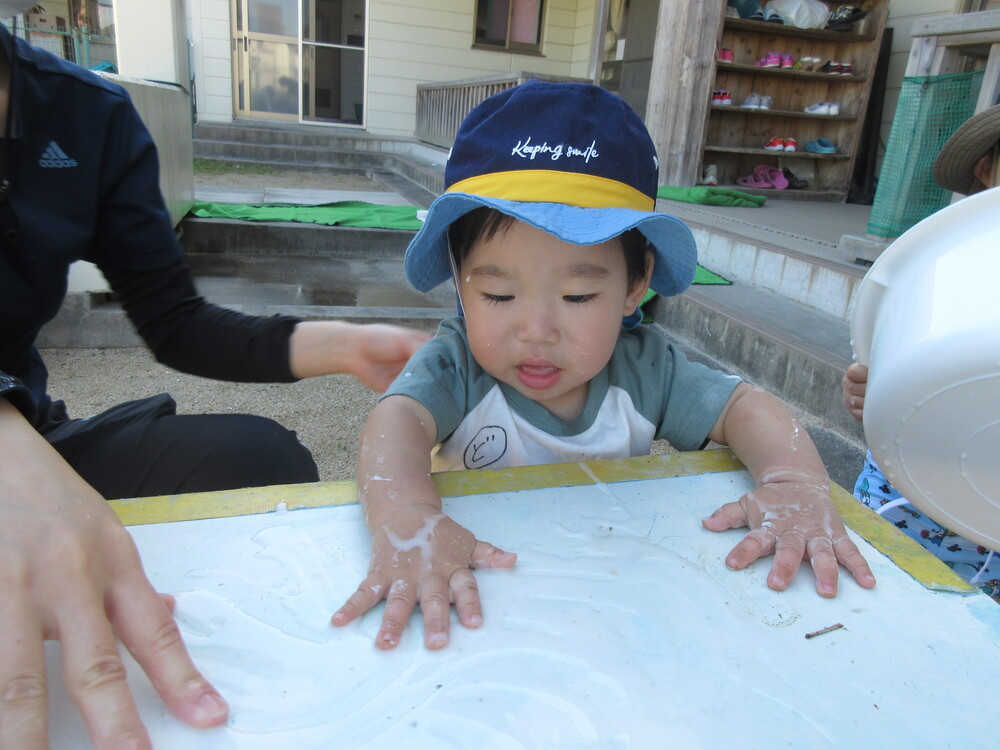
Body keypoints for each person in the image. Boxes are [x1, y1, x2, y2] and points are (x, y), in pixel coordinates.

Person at [0, 9, 428, 749]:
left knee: (261, 461)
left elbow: (172, 321)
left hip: (29, 441)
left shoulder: (85, 111)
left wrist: (341, 344)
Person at [332, 80, 876, 652]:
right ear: (460, 280)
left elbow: (746, 407)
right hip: (485, 605)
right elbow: (396, 424)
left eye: (577, 298)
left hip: (610, 606)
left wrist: (791, 484)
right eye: (497, 295)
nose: (536, 331)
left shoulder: (645, 372)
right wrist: (409, 517)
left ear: (634, 285)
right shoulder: (458, 364)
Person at [842, 102, 1000, 602]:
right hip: (910, 496)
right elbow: (896, 369)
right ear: (985, 169)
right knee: (884, 603)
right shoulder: (955, 262)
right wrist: (870, 390)